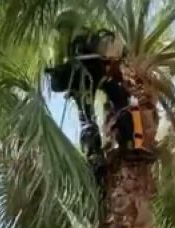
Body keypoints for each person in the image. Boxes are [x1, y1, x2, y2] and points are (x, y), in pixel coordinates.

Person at [46, 10, 154, 177]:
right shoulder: (87, 29)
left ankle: (95, 156)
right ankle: (129, 143)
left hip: (81, 74)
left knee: (87, 118)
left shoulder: (62, 32)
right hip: (94, 71)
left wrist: (57, 72)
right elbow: (109, 47)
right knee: (121, 98)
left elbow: (56, 76)